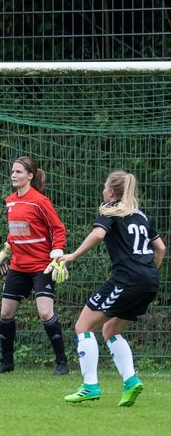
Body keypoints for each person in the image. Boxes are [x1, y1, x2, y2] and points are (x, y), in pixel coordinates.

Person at [57, 171, 162, 406]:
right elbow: (161, 248)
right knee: (110, 331)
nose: (103, 191)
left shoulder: (109, 208)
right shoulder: (141, 215)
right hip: (149, 282)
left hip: (127, 280)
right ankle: (131, 381)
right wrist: (148, 272)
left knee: (83, 326)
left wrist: (72, 255)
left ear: (112, 192)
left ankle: (90, 386)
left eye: (105, 187)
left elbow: (98, 233)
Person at [0, 156, 69, 375]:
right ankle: (7, 362)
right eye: (13, 171)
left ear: (30, 176)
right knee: (6, 313)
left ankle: (62, 362)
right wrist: (6, 251)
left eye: (19, 172)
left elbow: (58, 229)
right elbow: (17, 230)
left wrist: (57, 253)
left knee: (45, 312)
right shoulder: (10, 201)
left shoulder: (40, 201)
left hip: (42, 266)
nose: (14, 175)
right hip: (18, 266)